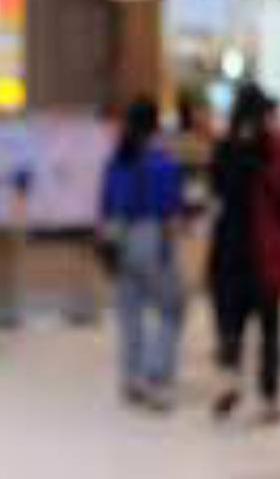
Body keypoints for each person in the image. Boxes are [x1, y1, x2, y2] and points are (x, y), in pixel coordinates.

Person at [209, 85, 280, 424]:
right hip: (235, 247)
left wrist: (259, 161)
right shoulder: (227, 148)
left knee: (267, 326)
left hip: (263, 248)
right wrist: (242, 153)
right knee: (233, 323)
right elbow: (220, 188)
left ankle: (267, 393)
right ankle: (233, 381)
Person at [100, 99, 186, 413]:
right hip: (151, 237)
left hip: (118, 238)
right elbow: (172, 211)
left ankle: (130, 377)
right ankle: (155, 375)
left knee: (130, 313)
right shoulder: (163, 162)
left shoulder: (116, 160)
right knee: (171, 308)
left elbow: (105, 206)